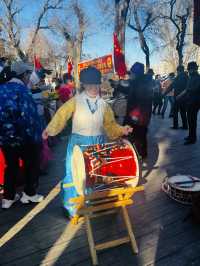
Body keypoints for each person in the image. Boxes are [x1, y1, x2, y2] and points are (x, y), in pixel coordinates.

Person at [42, 66, 133, 218]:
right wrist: (50, 130)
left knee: (94, 174)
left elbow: (110, 125)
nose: (93, 88)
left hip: (97, 143)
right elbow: (61, 116)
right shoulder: (75, 101)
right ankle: (70, 205)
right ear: (83, 85)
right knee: (73, 173)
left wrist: (122, 130)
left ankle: (88, 200)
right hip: (78, 143)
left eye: (96, 84)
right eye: (89, 85)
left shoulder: (104, 105)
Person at [0, 61, 44, 209]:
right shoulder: (22, 91)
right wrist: (38, 136)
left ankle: (8, 198)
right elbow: (30, 117)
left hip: (5, 137)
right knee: (31, 164)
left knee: (10, 166)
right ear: (24, 75)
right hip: (24, 137)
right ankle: (29, 193)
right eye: (27, 74)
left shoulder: (1, 89)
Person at [177, 62, 200, 145]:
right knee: (190, 120)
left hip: (195, 102)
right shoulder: (191, 77)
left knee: (192, 120)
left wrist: (183, 93)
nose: (189, 70)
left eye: (190, 69)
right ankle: (190, 136)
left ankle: (193, 138)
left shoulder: (198, 77)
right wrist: (182, 94)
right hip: (189, 101)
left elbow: (193, 89)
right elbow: (187, 88)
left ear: (194, 69)